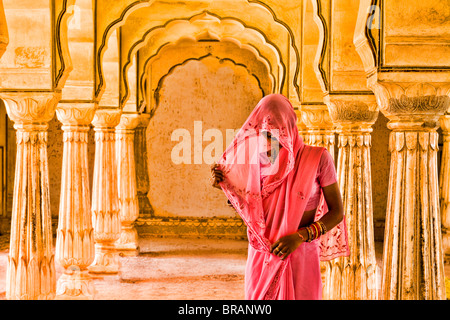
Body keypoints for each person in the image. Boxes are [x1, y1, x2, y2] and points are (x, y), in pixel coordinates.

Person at [210, 94, 349, 300]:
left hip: (301, 253)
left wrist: (300, 236)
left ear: (290, 126)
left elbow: (336, 211)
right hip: (263, 254)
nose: (271, 141)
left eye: (278, 132)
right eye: (266, 133)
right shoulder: (255, 162)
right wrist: (224, 184)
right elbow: (253, 207)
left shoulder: (317, 158)